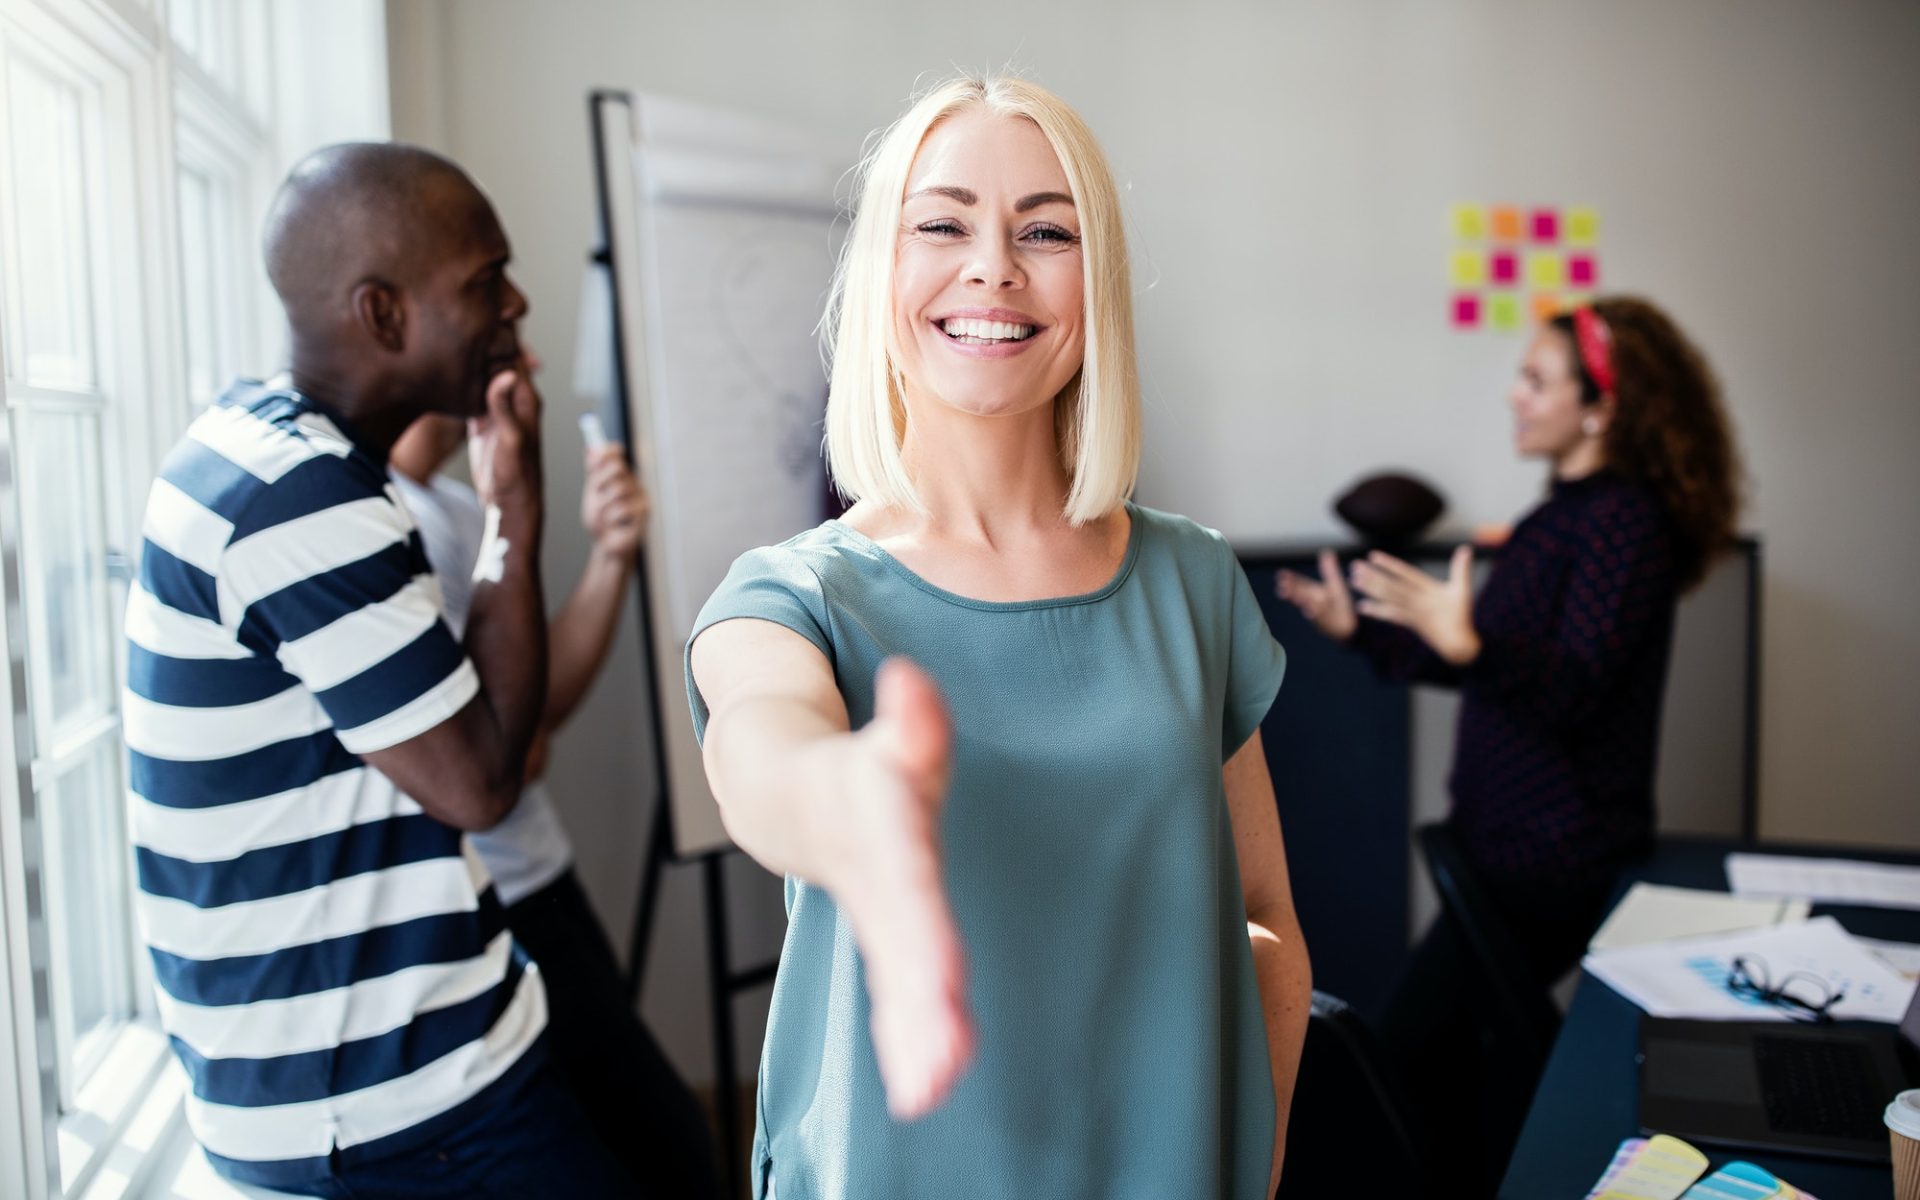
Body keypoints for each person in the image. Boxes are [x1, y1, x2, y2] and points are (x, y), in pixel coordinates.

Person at [685, 76, 1311, 1200]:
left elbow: (1266, 928)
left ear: (1097, 284)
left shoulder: (1194, 581)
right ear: (882, 271)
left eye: (1045, 230)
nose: (993, 266)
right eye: (943, 223)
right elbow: (760, 746)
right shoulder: (798, 593)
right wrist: (850, 798)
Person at [123, 143, 635, 1196]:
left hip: (365, 1078)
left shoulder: (262, 447)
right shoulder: (307, 499)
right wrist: (518, 516)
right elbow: (485, 779)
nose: (516, 302)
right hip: (391, 1101)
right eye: (485, 280)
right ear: (385, 314)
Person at [1278, 294, 1743, 1186]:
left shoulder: (1624, 525)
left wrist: (1475, 645)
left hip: (1551, 865)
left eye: (1538, 380)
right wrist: (1364, 633)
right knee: (1455, 1076)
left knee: (1401, 1066)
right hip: (1501, 857)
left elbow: (1573, 690)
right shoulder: (1560, 519)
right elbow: (1491, 667)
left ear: (1601, 408)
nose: (1514, 397)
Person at [387, 403, 721, 1198]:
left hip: (538, 878)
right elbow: (515, 749)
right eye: (490, 297)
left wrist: (611, 556)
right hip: (492, 905)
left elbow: (537, 702)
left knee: (662, 1143)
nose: (526, 359)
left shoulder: (455, 505)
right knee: (665, 1153)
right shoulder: (404, 521)